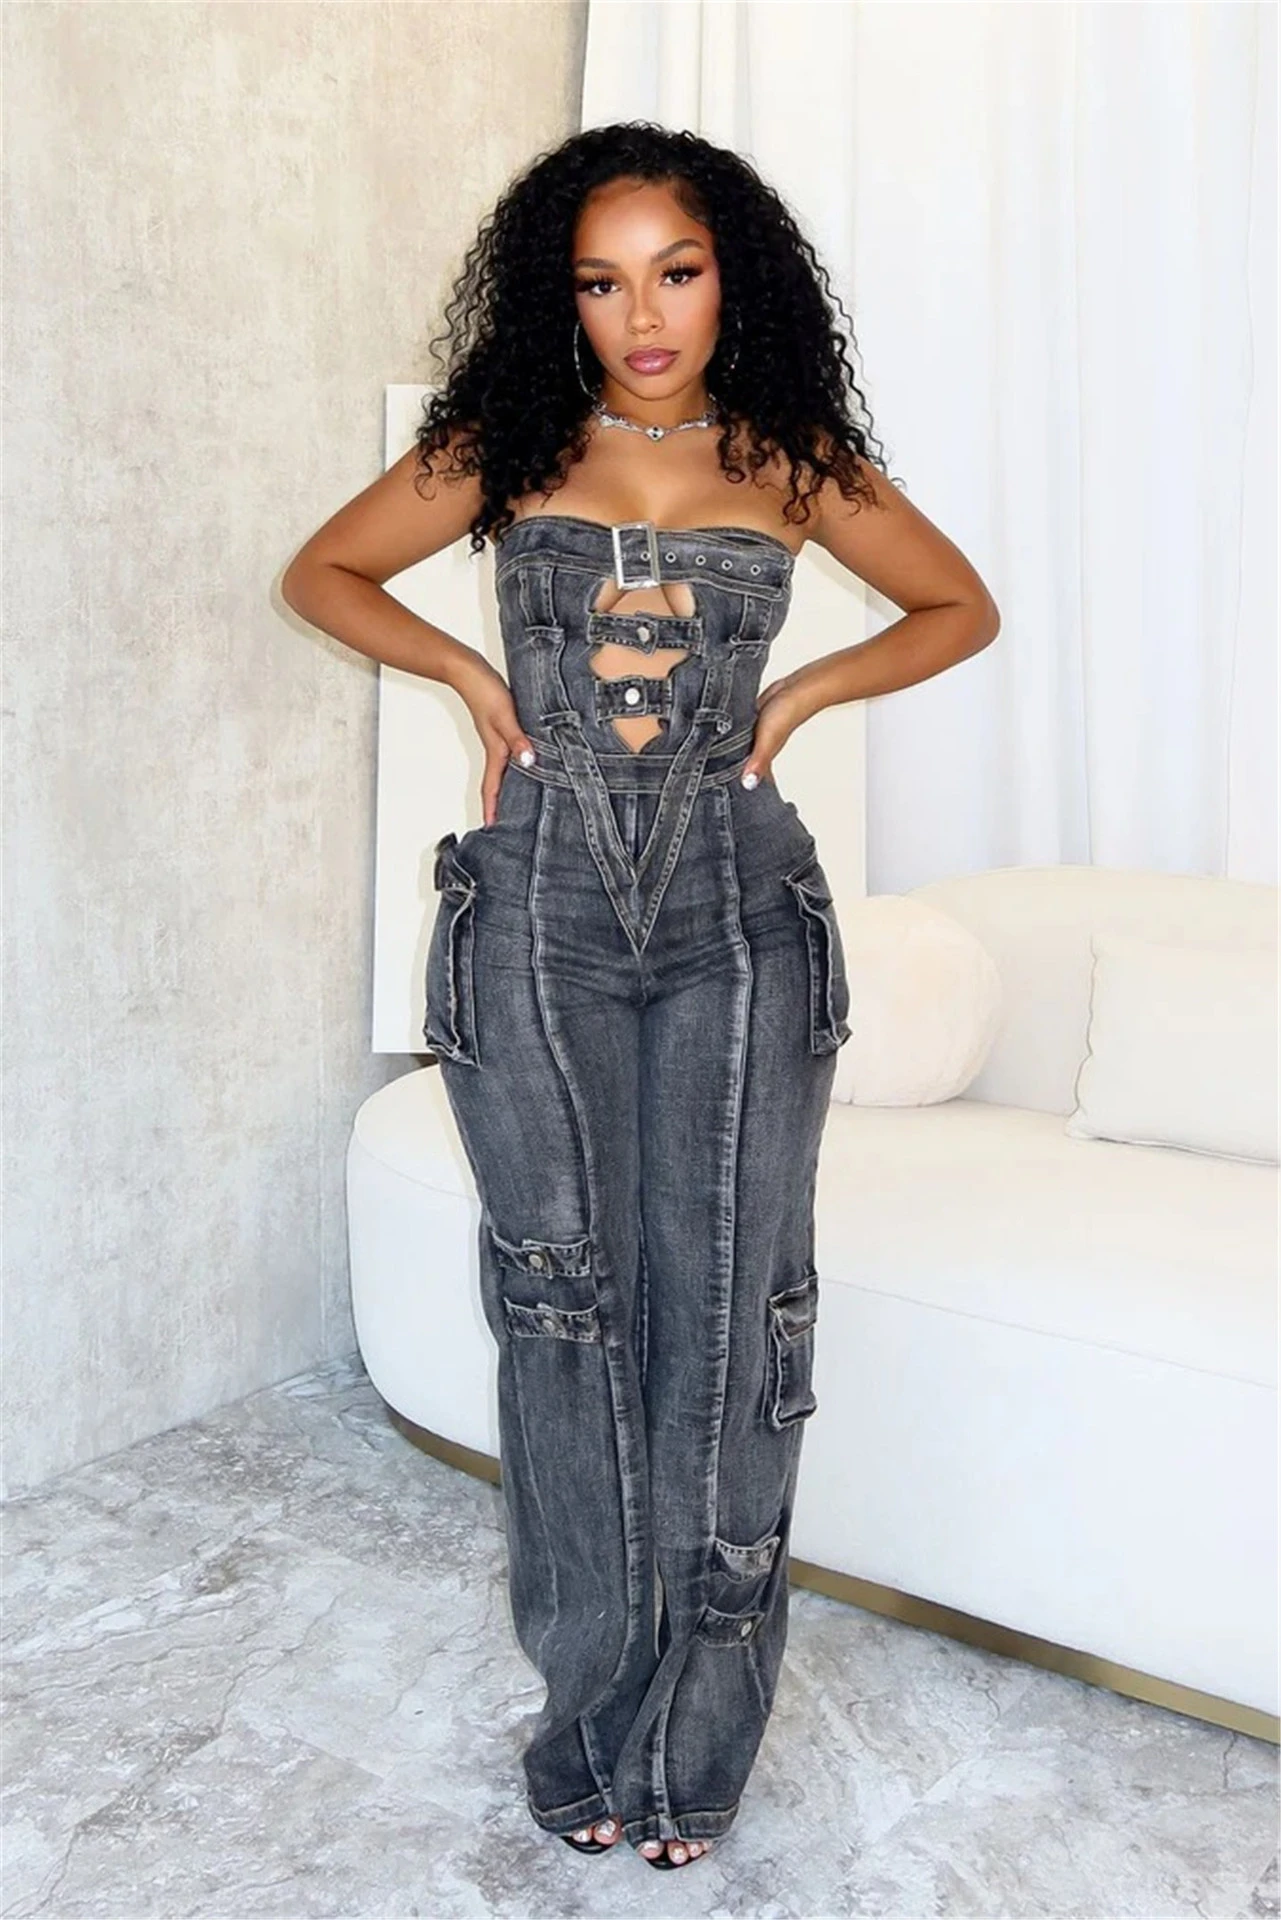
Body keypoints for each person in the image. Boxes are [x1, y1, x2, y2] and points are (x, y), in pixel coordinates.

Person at [281, 121, 999, 1873]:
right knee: (561, 1304)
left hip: (740, 920)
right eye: (603, 283)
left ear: (730, 275)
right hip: (535, 912)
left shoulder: (790, 455)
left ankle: (699, 1735)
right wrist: (471, 677)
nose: (645, 316)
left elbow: (956, 609)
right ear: (565, 298)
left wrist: (802, 694)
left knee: (734, 1314)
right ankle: (591, 1714)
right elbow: (322, 571)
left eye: (675, 272)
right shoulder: (505, 444)